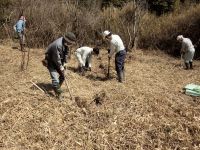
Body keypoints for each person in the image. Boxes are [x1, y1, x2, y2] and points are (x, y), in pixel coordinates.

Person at [42, 32, 76, 98]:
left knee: (63, 76)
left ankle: (57, 88)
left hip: (59, 61)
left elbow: (66, 53)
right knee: (55, 79)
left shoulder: (65, 43)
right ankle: (58, 94)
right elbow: (56, 59)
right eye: (70, 42)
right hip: (51, 61)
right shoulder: (57, 45)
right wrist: (61, 67)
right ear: (67, 40)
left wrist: (65, 63)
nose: (70, 44)